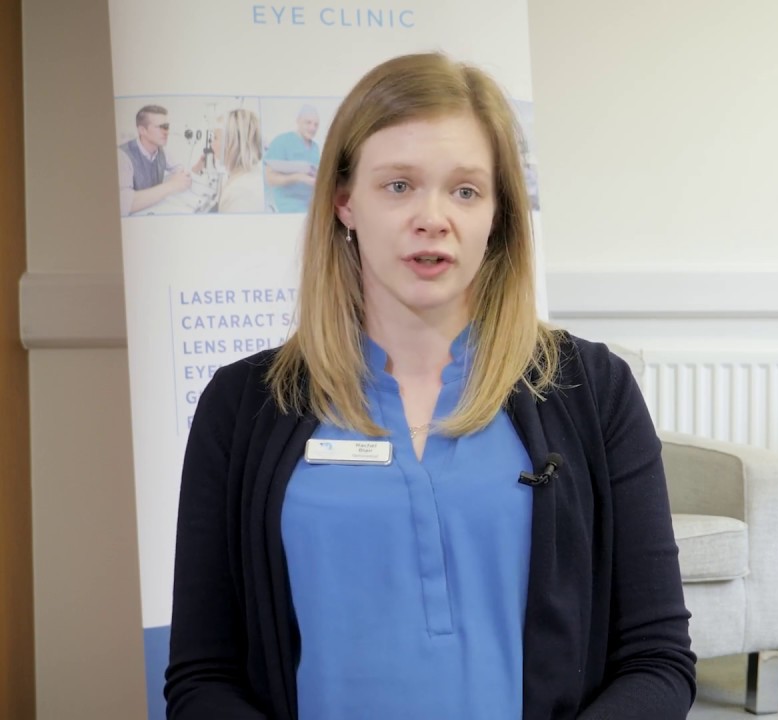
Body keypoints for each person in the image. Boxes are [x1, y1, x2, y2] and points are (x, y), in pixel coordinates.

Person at [164, 52, 696, 720]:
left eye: (465, 191)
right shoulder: (242, 404)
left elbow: (657, 661)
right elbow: (202, 679)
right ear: (344, 201)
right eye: (399, 185)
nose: (433, 217)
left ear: (498, 214)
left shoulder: (592, 389)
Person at [117, 104, 199, 216]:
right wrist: (171, 185)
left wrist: (196, 168)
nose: (166, 132)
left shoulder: (162, 151)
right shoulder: (122, 156)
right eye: (161, 127)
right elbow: (123, 205)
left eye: (166, 127)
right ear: (142, 130)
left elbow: (181, 172)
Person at [264, 104, 322, 213]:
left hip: (311, 208)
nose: (312, 128)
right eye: (308, 122)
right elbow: (270, 178)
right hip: (288, 208)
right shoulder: (281, 142)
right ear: (298, 121)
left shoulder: (315, 148)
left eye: (316, 124)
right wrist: (298, 177)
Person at [215, 108, 265, 213]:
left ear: (232, 143)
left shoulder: (240, 194)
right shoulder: (246, 175)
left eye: (215, 138)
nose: (211, 144)